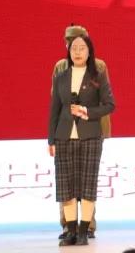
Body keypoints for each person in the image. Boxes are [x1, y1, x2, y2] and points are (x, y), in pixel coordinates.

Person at [50, 33, 116, 246]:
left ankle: (83, 231)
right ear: (68, 52)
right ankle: (70, 231)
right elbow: (54, 109)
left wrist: (87, 111)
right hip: (63, 137)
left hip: (90, 136)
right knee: (66, 186)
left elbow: (110, 105)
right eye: (74, 48)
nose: (77, 52)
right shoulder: (61, 77)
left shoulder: (97, 75)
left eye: (82, 48)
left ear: (89, 52)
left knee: (88, 185)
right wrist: (51, 139)